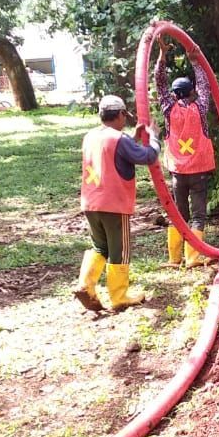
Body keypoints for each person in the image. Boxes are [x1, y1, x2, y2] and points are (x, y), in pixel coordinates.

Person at [75, 94, 160, 313]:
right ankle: (119, 297)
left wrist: (131, 138)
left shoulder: (90, 136)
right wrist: (154, 138)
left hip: (90, 202)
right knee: (119, 251)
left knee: (99, 246)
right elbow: (148, 156)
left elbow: (111, 152)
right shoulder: (119, 139)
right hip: (113, 204)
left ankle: (85, 285)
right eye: (125, 115)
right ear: (121, 114)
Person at [154, 45, 215, 268]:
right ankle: (193, 258)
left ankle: (174, 258)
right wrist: (196, 61)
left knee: (178, 214)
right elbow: (205, 86)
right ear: (192, 92)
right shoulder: (200, 107)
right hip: (199, 171)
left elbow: (159, 84)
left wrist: (162, 56)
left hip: (178, 172)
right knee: (198, 215)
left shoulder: (168, 109)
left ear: (173, 94)